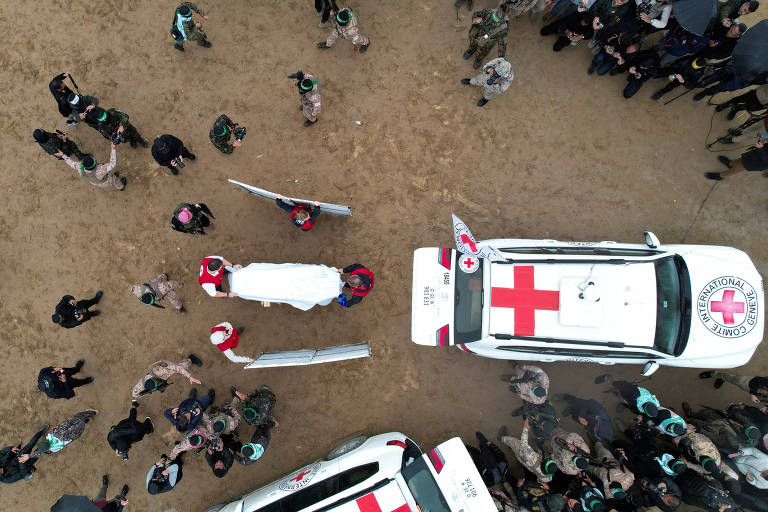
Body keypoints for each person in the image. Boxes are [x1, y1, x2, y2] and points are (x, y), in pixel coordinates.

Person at [682, 403, 759, 452]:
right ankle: (691, 414)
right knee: (705, 413)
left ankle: (683, 422)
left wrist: (701, 430)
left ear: (745, 435)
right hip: (724, 422)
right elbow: (746, 421)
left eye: (745, 428)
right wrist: (733, 412)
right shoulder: (753, 430)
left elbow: (716, 439)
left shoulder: (734, 443)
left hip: (714, 431)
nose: (745, 426)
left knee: (696, 423)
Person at [28, 409, 98, 459]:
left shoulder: (54, 448)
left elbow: (43, 452)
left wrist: (29, 456)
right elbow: (67, 424)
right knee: (79, 417)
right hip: (75, 426)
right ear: (47, 441)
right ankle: (93, 412)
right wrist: (57, 428)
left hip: (76, 435)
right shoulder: (57, 433)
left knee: (81, 424)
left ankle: (87, 420)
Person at [60, 140, 126, 191]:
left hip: (96, 183)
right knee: (114, 180)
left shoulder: (80, 168)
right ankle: (121, 186)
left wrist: (63, 155)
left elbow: (71, 163)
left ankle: (116, 182)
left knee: (109, 175)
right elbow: (112, 164)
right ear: (94, 164)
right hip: (106, 180)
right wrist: (113, 148)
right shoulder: (101, 169)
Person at [131, 355, 203, 399]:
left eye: (158, 383)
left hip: (163, 366)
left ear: (155, 379)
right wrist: (147, 392)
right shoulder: (140, 386)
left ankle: (190, 359)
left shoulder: (161, 372)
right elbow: (134, 394)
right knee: (179, 368)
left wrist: (189, 377)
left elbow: (174, 367)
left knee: (180, 367)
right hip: (158, 374)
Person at [675, 470, 740, 512]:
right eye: (726, 504)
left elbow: (691, 500)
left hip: (686, 488)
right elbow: (713, 481)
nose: (723, 505)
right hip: (695, 480)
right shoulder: (720, 490)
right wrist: (705, 476)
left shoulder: (710, 505)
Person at [700, 371, 768, 407]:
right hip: (753, 383)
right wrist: (753, 394)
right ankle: (714, 374)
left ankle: (721, 379)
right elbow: (757, 380)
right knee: (735, 380)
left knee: (741, 386)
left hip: (760, 394)